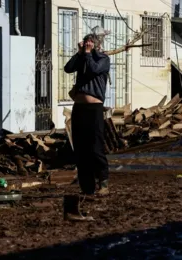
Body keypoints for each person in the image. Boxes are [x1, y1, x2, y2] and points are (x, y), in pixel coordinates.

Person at [64, 33, 110, 196]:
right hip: (79, 108)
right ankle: (87, 187)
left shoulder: (103, 59)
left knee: (95, 146)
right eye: (86, 43)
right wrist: (79, 53)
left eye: (90, 43)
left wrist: (89, 53)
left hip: (94, 109)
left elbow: (94, 69)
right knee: (81, 148)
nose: (87, 46)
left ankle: (103, 182)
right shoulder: (83, 57)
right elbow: (68, 68)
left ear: (97, 45)